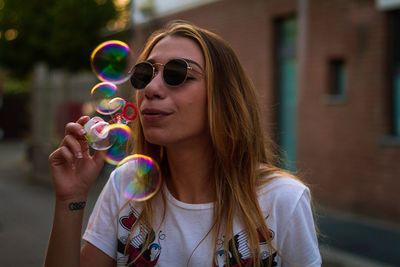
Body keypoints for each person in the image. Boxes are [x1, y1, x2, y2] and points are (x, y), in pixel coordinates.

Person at [45, 20, 321, 267]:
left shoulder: (282, 199)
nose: (151, 88)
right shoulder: (128, 183)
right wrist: (71, 198)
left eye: (178, 74)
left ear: (223, 97)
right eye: (144, 74)